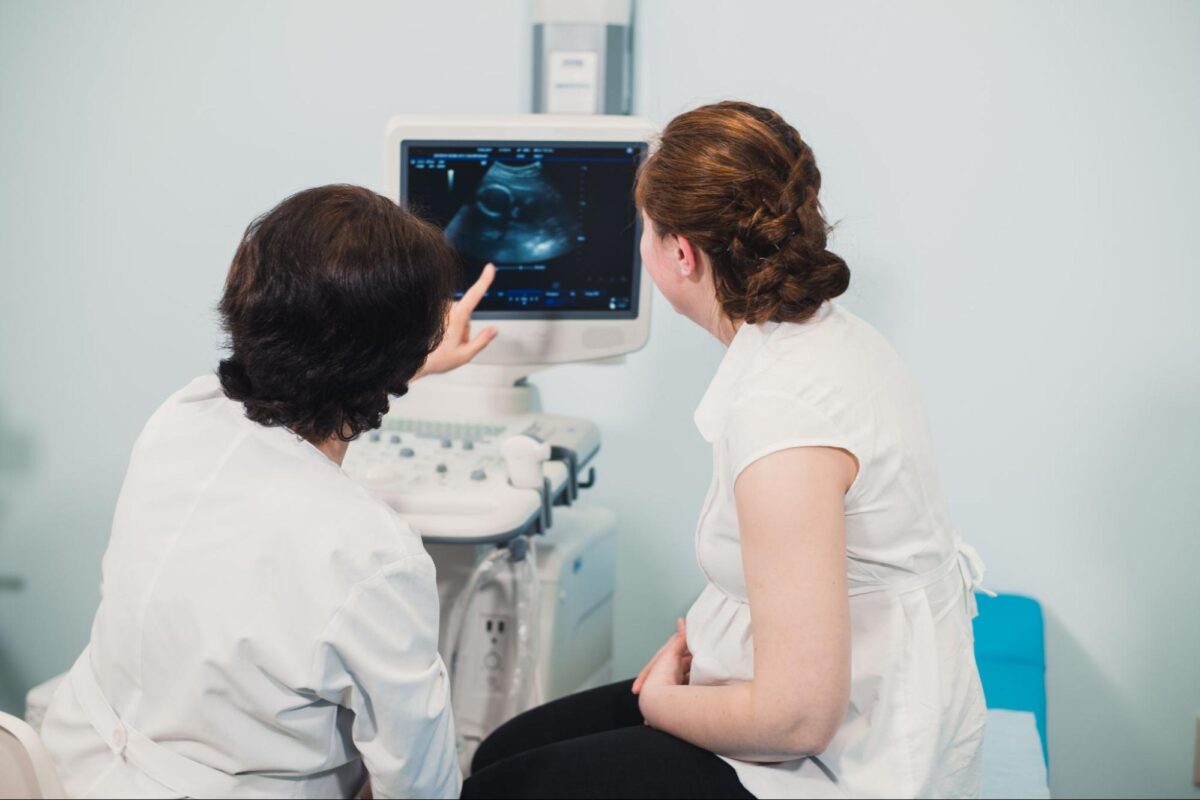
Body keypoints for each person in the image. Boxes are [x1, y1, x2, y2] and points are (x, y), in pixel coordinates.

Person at [462, 101, 989, 799]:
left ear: (681, 253)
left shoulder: (784, 419)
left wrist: (662, 704)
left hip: (848, 760)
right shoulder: (824, 335)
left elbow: (798, 718)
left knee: (500, 788)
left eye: (645, 231)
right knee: (506, 749)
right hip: (812, 692)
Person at [41, 184, 497, 798]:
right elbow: (422, 788)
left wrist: (412, 358)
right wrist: (402, 356)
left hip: (66, 766)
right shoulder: (372, 554)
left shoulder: (180, 417)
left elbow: (306, 357)